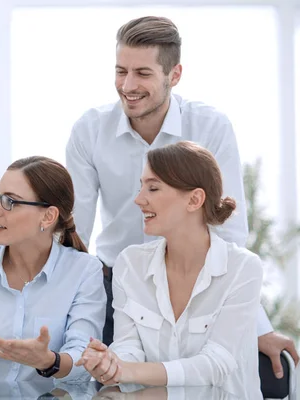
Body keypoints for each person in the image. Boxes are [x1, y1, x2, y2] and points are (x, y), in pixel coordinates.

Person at [65, 15, 298, 378]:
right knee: (105, 382)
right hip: (116, 287)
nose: (127, 85)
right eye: (120, 71)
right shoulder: (90, 130)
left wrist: (257, 327)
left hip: (196, 285)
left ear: (174, 75)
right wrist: (68, 315)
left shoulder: (210, 126)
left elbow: (229, 233)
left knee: (202, 381)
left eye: (142, 73)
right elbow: (73, 234)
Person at [76, 141, 263, 398]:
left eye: (153, 188)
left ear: (195, 199)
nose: (139, 199)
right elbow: (128, 347)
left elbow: (216, 365)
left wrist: (126, 371)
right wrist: (110, 363)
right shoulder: (130, 264)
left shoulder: (243, 268)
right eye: (140, 187)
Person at [0, 156, 106, 383]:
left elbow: (85, 360)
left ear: (48, 216)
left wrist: (49, 361)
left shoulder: (84, 271)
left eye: (10, 201)